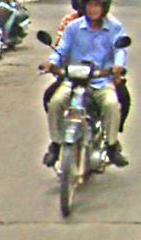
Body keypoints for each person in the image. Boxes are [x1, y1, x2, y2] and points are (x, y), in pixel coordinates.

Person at [41, 0, 130, 168]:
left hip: (100, 80)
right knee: (55, 103)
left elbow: (120, 50)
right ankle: (55, 145)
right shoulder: (73, 27)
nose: (93, 9)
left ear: (104, 7)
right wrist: (51, 63)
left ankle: (112, 146)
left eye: (97, 5)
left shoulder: (115, 27)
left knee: (111, 105)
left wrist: (118, 66)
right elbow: (61, 49)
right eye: (90, 5)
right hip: (73, 80)